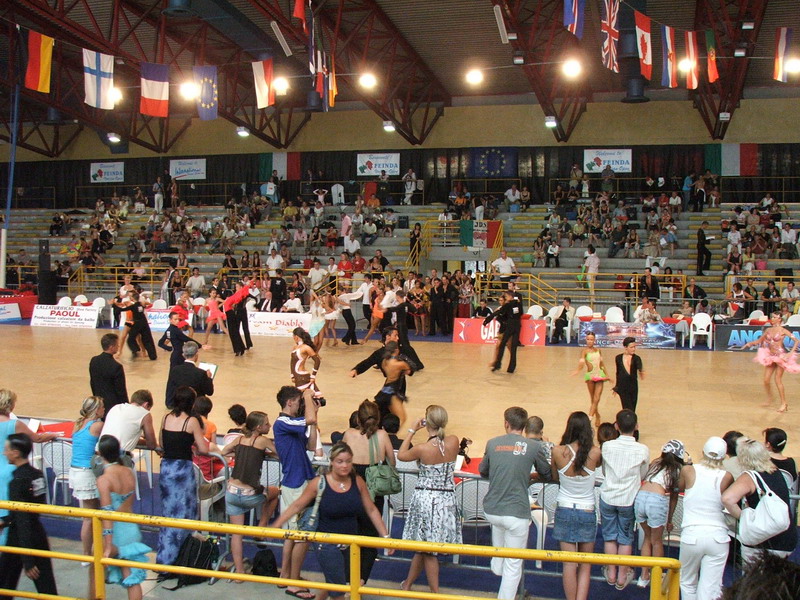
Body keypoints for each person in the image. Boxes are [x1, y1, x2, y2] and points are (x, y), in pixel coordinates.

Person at [272, 442, 392, 600]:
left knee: (335, 584)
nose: (345, 466)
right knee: (338, 591)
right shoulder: (319, 483)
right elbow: (297, 505)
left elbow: (371, 509)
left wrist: (385, 536)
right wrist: (276, 525)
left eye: (348, 461)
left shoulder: (358, 482)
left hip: (350, 544)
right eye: (340, 461)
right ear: (332, 462)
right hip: (326, 544)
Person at [479, 407, 541, 600]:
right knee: (513, 564)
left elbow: (483, 470)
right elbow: (546, 472)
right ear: (525, 425)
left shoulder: (492, 443)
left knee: (501, 539)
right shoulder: (533, 446)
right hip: (516, 512)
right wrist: (529, 475)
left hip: (493, 509)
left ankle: (498, 565)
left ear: (506, 423)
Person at [399, 405, 461, 595]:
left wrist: (412, 430)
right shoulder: (454, 441)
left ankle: (435, 593)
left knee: (429, 550)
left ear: (427, 422)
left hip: (426, 499)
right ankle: (407, 584)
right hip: (446, 499)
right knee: (423, 546)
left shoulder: (422, 449)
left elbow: (401, 454)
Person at [342, 400, 396, 584]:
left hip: (351, 488)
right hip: (373, 490)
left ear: (358, 418)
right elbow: (392, 462)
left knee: (349, 536)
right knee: (370, 536)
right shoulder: (382, 435)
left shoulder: (349, 434)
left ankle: (348, 580)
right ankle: (361, 579)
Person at [219, 411, 279, 576]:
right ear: (259, 427)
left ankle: (239, 572)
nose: (269, 426)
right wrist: (265, 454)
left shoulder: (239, 439)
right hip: (249, 494)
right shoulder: (263, 441)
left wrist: (238, 454)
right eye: (266, 424)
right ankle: (261, 527)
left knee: (236, 534)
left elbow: (224, 452)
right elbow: (280, 454)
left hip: (231, 492)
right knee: (275, 493)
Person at [273, 386, 319, 599]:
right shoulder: (282, 422)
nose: (302, 405)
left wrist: (315, 413)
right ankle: (293, 583)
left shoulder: (293, 424)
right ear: (290, 402)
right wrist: (308, 397)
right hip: (295, 483)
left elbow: (311, 445)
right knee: (300, 534)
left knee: (292, 534)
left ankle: (286, 576)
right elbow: (308, 420)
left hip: (300, 480)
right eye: (299, 401)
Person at [550, 412, 601, 600]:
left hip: (564, 508)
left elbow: (554, 477)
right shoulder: (595, 453)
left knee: (569, 564)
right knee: (585, 565)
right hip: (587, 510)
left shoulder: (557, 451)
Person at [157, 386, 209, 568]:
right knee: (186, 512)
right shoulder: (191, 421)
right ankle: (183, 557)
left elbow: (161, 442)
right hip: (182, 471)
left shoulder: (165, 418)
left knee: (168, 513)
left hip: (166, 469)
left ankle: (166, 557)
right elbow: (203, 448)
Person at [675, 436, 733, 600]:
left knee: (687, 582)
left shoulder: (688, 470)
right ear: (723, 457)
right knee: (711, 587)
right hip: (718, 536)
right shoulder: (727, 476)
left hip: (692, 534)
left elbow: (679, 487)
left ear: (703, 452)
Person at [0, 433, 57, 599]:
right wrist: (5, 521)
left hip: (18, 538)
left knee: (4, 585)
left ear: (16, 453)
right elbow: (30, 511)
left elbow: (23, 519)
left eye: (7, 450)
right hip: (38, 535)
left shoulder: (17, 481)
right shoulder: (37, 475)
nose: (4, 453)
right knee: (47, 588)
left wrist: (27, 559)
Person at [721, 438, 796, 563]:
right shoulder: (776, 471)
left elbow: (727, 498)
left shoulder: (749, 477)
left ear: (742, 459)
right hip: (786, 539)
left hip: (762, 542)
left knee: (754, 576)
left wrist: (745, 518)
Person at [96, 435, 152, 600]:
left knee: (128, 579)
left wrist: (108, 546)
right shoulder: (128, 472)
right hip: (131, 527)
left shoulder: (104, 480)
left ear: (100, 454)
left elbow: (107, 514)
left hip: (117, 533)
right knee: (132, 578)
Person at [598, 410, 649, 590]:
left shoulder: (607, 446)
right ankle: (621, 576)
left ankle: (611, 573)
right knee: (626, 538)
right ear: (636, 426)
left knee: (609, 537)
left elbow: (604, 471)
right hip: (628, 499)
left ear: (616, 426)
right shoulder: (642, 449)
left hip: (608, 496)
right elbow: (643, 474)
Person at [634, 439, 686, 588]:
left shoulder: (656, 462)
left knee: (647, 538)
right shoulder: (677, 470)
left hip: (640, 497)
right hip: (656, 500)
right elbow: (674, 498)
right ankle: (656, 578)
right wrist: (669, 520)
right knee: (657, 541)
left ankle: (643, 576)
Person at [741, 311, 800, 412]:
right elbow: (759, 341)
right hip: (770, 356)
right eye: (772, 317)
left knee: (778, 380)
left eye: (775, 317)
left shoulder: (783, 330)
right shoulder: (768, 330)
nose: (772, 319)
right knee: (766, 380)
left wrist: (790, 353)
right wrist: (749, 343)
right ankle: (770, 398)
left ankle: (783, 403)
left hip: (780, 357)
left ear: (779, 319)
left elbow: (796, 341)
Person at [69, 397, 105, 559]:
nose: (104, 410)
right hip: (86, 472)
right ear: (96, 410)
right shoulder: (97, 425)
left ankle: (89, 552)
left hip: (75, 470)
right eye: (102, 407)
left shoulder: (78, 424)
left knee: (89, 516)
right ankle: (89, 553)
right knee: (91, 517)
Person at [100, 390, 158, 456]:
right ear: (146, 404)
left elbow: (124, 439)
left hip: (99, 454)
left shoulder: (116, 407)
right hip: (117, 456)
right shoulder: (145, 414)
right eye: (148, 409)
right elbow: (151, 445)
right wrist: (152, 442)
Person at [164, 341, 214, 409]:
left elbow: (170, 388)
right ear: (196, 355)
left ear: (183, 355)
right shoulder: (201, 373)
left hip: (179, 406)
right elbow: (209, 392)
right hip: (195, 407)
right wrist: (209, 378)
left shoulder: (175, 370)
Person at [374, 342, 414, 424]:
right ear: (396, 350)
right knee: (402, 418)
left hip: (384, 390)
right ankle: (392, 431)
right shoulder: (400, 364)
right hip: (392, 392)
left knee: (380, 415)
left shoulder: (384, 362)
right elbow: (410, 369)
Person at [573, 331, 608, 426]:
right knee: (593, 399)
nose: (589, 341)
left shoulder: (598, 350)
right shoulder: (584, 351)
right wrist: (578, 370)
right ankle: (597, 415)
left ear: (594, 340)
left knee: (597, 398)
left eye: (591, 339)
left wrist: (606, 375)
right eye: (588, 339)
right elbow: (581, 362)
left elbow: (602, 364)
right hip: (590, 376)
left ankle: (589, 419)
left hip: (599, 375)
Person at [89, 333, 129, 414]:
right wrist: (126, 406)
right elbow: (121, 391)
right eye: (117, 345)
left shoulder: (94, 361)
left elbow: (92, 382)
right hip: (113, 406)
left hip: (98, 403)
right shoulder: (116, 367)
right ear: (111, 347)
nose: (118, 346)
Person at [483, 291, 522, 373]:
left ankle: (501, 365)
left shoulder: (509, 305)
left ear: (510, 297)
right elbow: (520, 313)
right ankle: (502, 365)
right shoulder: (516, 304)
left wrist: (487, 320)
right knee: (506, 347)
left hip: (510, 327)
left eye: (506, 297)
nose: (505, 298)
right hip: (514, 327)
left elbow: (498, 313)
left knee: (507, 347)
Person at [290, 328, 324, 403]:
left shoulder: (306, 348)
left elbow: (317, 361)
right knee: (301, 399)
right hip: (297, 376)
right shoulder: (295, 347)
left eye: (293, 336)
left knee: (301, 399)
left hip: (302, 376)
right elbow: (292, 362)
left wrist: (313, 376)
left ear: (296, 336)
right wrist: (292, 375)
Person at [611, 337, 645, 413]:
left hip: (633, 387)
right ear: (626, 347)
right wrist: (617, 386)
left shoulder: (636, 358)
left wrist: (641, 371)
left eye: (634, 347)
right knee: (626, 407)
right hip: (623, 387)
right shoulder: (618, 358)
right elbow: (618, 372)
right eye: (631, 347)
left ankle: (631, 419)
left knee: (632, 407)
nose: (634, 349)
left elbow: (639, 366)